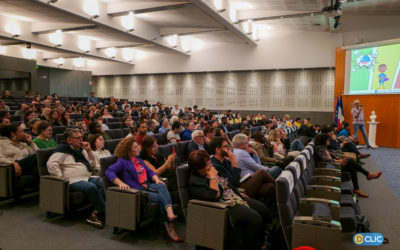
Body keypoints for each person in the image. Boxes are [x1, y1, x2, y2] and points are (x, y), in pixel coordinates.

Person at [105, 137, 182, 242]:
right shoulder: (122, 162)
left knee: (162, 185)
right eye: (136, 147)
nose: (139, 148)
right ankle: (169, 225)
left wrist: (156, 179)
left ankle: (169, 212)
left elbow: (150, 172)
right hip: (137, 190)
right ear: (128, 150)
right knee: (161, 198)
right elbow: (109, 172)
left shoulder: (140, 161)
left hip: (148, 185)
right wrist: (120, 183)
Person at [188, 150, 268, 250]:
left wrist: (237, 193)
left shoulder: (207, 172)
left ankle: (260, 242)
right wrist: (213, 177)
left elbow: (226, 184)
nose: (211, 165)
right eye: (208, 164)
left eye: (210, 162)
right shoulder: (195, 182)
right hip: (225, 206)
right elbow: (214, 196)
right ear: (199, 168)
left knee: (262, 209)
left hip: (233, 196)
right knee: (255, 219)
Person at [47, 128, 105, 227]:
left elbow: (92, 164)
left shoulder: (80, 150)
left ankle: (95, 213)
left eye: (81, 137)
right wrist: (61, 180)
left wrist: (89, 150)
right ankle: (104, 211)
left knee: (103, 182)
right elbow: (51, 165)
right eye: (78, 138)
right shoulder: (62, 150)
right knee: (90, 186)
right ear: (69, 140)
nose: (81, 140)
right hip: (71, 181)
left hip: (85, 177)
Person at [314, 133, 381, 198]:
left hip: (334, 165)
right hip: (332, 168)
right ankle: (368, 175)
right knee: (351, 161)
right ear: (323, 140)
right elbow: (325, 159)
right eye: (327, 140)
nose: (329, 141)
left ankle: (357, 189)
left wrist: (336, 157)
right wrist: (337, 161)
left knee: (352, 167)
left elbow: (329, 154)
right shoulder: (320, 148)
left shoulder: (323, 147)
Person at [140, 136, 179, 202]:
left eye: (156, 145)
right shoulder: (144, 160)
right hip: (162, 181)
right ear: (147, 148)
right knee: (179, 194)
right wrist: (167, 162)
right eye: (153, 147)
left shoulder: (157, 154)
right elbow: (156, 173)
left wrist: (171, 162)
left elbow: (170, 169)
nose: (156, 148)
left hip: (171, 178)